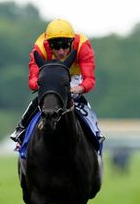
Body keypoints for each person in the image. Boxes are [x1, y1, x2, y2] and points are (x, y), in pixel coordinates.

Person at [9, 18, 103, 150]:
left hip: (74, 77)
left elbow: (89, 79)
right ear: (48, 44)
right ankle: (21, 129)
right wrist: (44, 85)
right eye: (56, 46)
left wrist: (79, 88)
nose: (61, 51)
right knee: (41, 100)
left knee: (79, 101)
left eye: (65, 46)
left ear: (72, 42)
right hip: (51, 78)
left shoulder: (82, 45)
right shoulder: (40, 47)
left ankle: (95, 132)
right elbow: (32, 79)